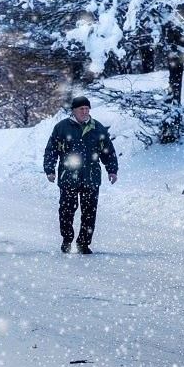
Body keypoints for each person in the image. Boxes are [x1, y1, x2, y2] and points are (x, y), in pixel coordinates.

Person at [43, 96, 118, 254]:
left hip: (91, 177)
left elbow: (108, 151)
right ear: (74, 111)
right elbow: (51, 150)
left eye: (87, 109)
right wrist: (49, 169)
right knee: (67, 210)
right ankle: (67, 240)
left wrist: (112, 170)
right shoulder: (62, 128)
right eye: (81, 109)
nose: (84, 112)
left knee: (90, 212)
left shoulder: (98, 128)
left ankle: (84, 243)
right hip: (68, 176)